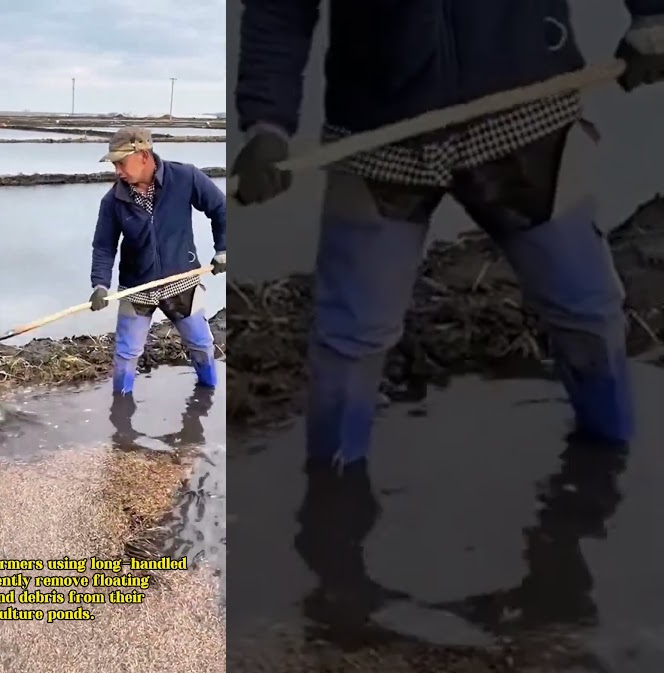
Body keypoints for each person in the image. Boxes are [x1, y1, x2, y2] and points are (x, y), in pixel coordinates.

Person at [232, 2, 664, 468]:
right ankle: (332, 496)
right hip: (379, 134)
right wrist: (266, 123)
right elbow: (277, 10)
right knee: (349, 339)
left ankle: (610, 464)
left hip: (531, 111)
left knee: (587, 309)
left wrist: (653, 18)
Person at [89, 127, 227, 395]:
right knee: (126, 354)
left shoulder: (185, 177)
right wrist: (100, 285)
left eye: (120, 162)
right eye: (114, 164)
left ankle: (208, 395)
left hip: (182, 282)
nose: (117, 171)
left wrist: (223, 249)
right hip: (137, 287)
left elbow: (220, 209)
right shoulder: (113, 200)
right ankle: (122, 409)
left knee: (201, 344)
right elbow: (104, 247)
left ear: (142, 154)